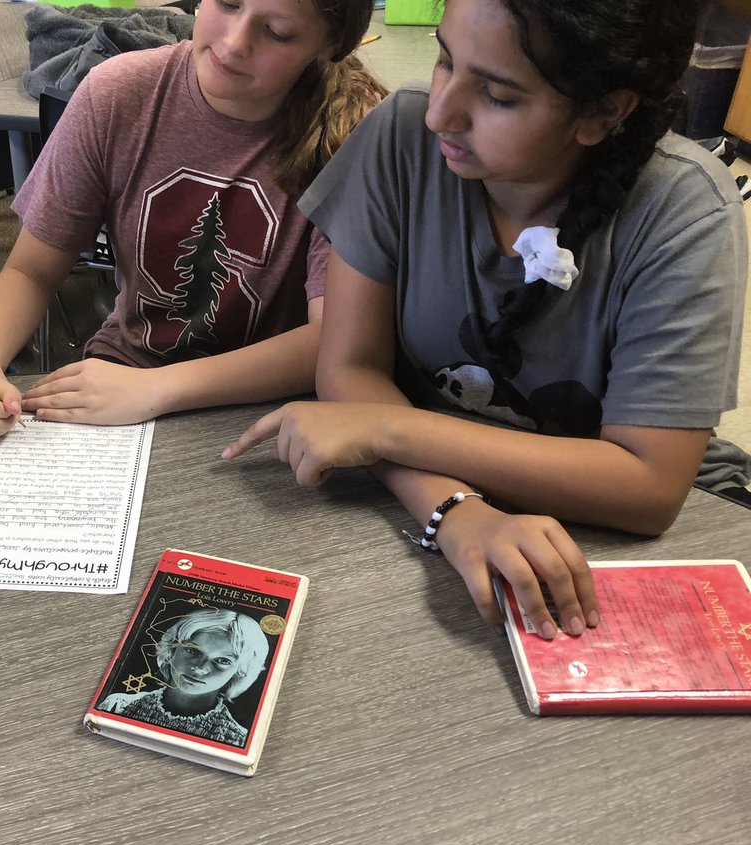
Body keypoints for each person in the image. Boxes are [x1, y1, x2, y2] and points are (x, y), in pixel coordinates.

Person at [225, 0, 747, 640]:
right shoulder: (402, 137)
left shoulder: (686, 214)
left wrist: (389, 430)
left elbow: (650, 485)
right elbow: (351, 367)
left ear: (605, 112)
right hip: (434, 510)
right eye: (444, 59)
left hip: (612, 536)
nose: (442, 111)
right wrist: (452, 509)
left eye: (498, 96)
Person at [0, 0, 385, 438]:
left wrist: (159, 389)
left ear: (331, 45)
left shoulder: (355, 135)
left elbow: (337, 340)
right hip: (126, 371)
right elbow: (30, 271)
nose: (233, 45)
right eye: (227, 4)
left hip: (272, 402)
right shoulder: (116, 93)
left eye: (277, 32)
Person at [97, 608, 269, 747]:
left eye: (223, 661)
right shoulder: (117, 706)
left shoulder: (237, 739)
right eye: (193, 651)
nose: (201, 668)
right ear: (172, 650)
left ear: (241, 671)